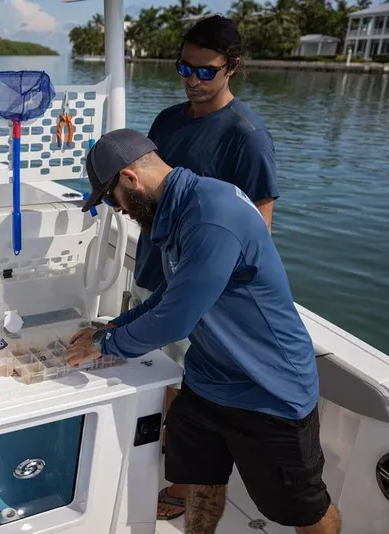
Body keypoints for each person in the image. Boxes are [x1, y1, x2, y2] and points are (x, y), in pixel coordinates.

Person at [68, 128, 340, 534]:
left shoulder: (212, 215)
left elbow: (175, 319)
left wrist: (104, 344)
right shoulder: (177, 209)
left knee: (305, 511)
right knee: (200, 480)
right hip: (208, 380)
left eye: (111, 198)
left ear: (130, 178)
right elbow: (171, 293)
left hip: (267, 390)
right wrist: (114, 326)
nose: (118, 210)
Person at [133, 15, 280, 521]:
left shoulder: (248, 137)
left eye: (204, 72)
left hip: (201, 290)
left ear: (232, 67)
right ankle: (157, 458)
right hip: (152, 267)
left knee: (187, 386)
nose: (192, 81)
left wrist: (208, 288)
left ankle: (181, 482)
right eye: (184, 68)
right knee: (155, 376)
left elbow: (258, 227)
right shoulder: (167, 121)